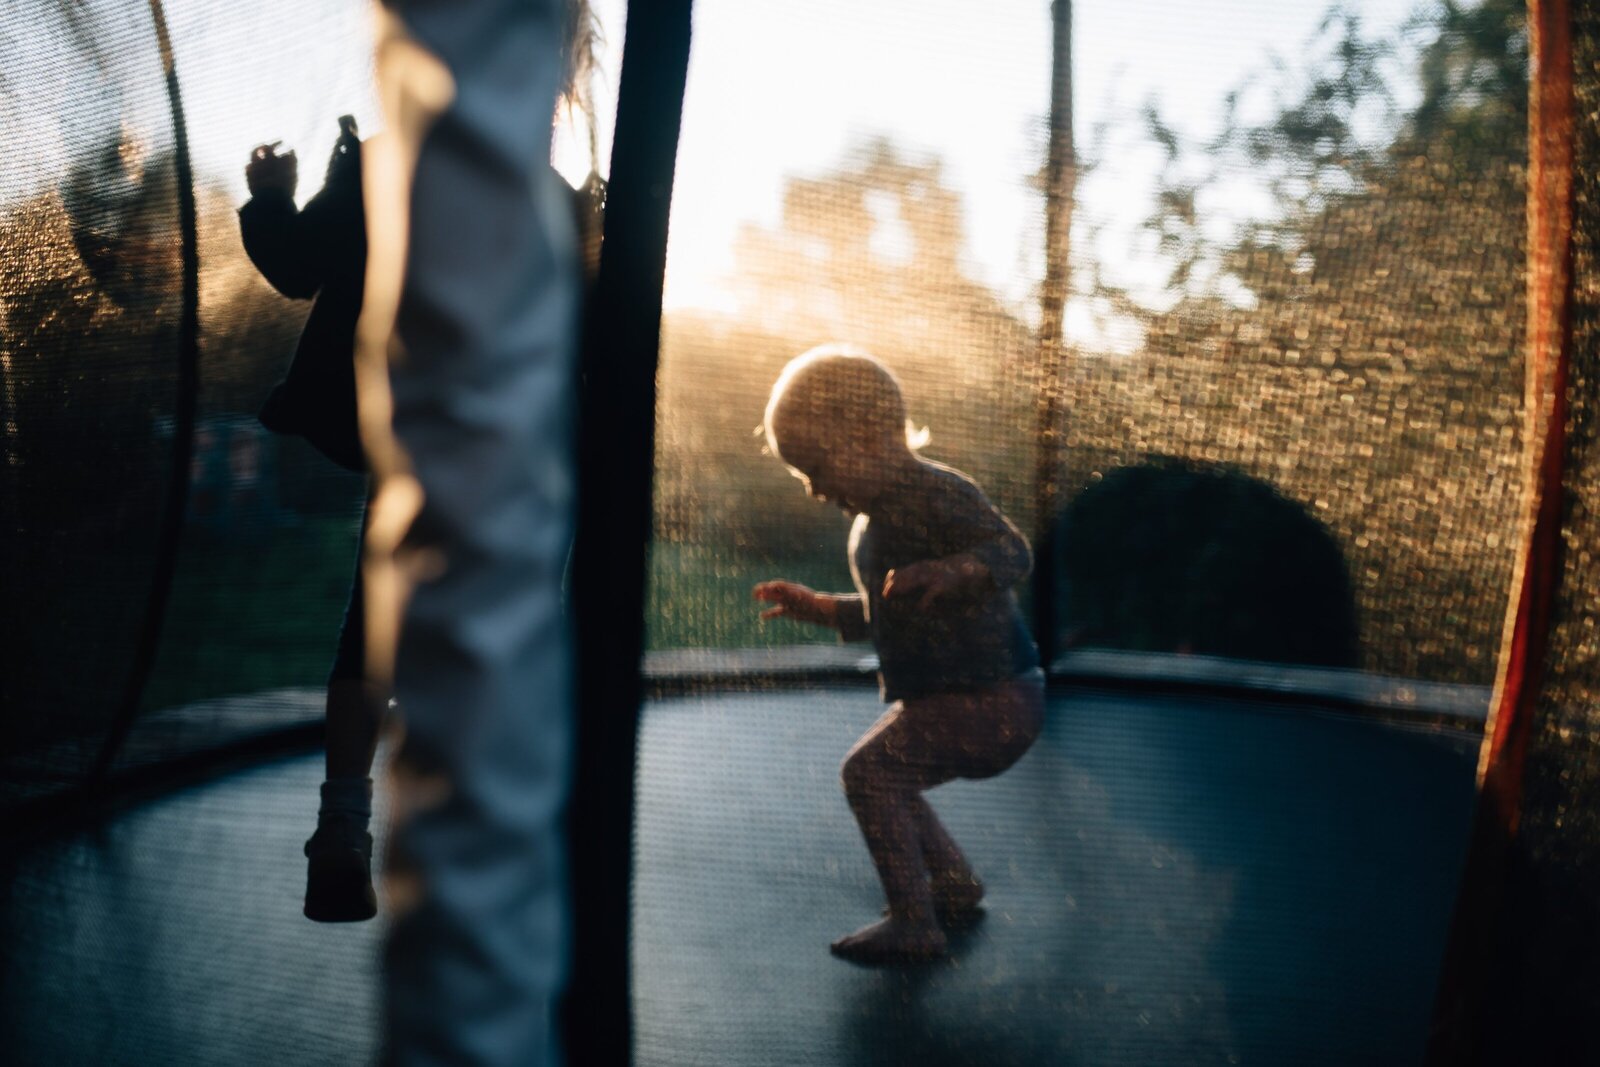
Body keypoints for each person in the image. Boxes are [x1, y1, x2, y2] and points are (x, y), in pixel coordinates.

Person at [753, 346, 1045, 964]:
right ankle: (954, 884)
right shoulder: (871, 523)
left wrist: (955, 569)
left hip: (994, 697)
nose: (813, 490)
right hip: (971, 699)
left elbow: (1013, 551)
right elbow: (888, 617)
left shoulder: (936, 492)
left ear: (866, 438)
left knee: (872, 774)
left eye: (816, 467)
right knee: (892, 776)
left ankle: (916, 923)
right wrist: (822, 608)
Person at [240, 117, 385, 922]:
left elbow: (298, 267)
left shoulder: (382, 168)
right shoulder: (542, 192)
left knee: (370, 639)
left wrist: (270, 198)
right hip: (514, 450)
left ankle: (342, 826)